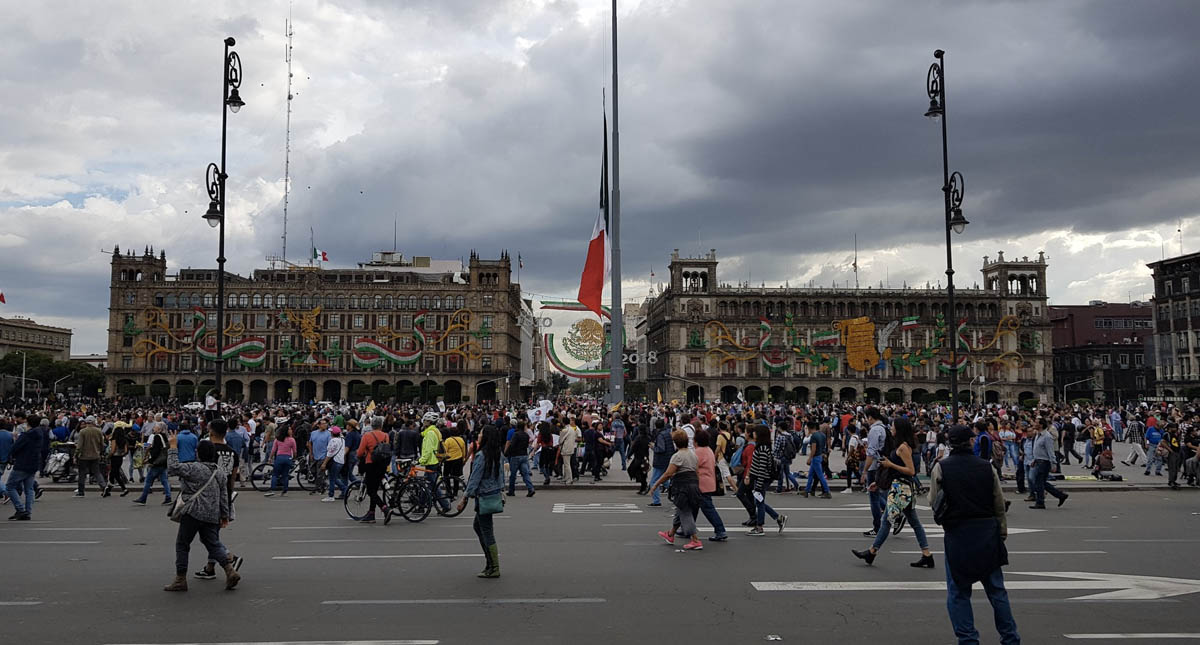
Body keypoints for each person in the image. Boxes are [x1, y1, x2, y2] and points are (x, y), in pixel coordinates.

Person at [928, 425, 1019, 644]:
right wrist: (1002, 532)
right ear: (971, 442)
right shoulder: (986, 467)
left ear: (950, 443)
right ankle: (1010, 638)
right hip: (987, 532)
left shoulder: (941, 468)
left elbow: (933, 501)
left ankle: (968, 639)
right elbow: (998, 502)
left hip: (958, 533)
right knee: (997, 591)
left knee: (958, 592)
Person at [851, 417, 934, 568]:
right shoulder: (901, 445)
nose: (891, 428)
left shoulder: (903, 447)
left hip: (901, 489)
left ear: (900, 429)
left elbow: (911, 471)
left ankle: (872, 552)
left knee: (886, 521)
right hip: (900, 487)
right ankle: (927, 554)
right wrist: (880, 482)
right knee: (914, 522)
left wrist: (890, 464)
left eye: (893, 426)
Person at [163, 435, 240, 592]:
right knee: (212, 543)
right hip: (212, 514)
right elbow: (224, 495)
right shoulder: (218, 472)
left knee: (183, 544)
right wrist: (224, 515)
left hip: (193, 512)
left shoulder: (193, 468)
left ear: (198, 453)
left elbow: (172, 468)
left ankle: (180, 579)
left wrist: (172, 447)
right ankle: (229, 570)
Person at [458, 424, 504, 578]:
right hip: (491, 494)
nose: (478, 435)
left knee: (486, 530)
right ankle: (490, 563)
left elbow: (474, 479)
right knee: (478, 526)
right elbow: (501, 477)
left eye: (481, 434)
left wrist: (464, 498)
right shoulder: (497, 453)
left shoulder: (481, 456)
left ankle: (493, 566)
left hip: (483, 496)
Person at [649, 429, 704, 550]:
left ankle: (695, 539)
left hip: (682, 486)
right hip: (693, 485)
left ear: (675, 443)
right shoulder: (692, 454)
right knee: (680, 510)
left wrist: (655, 485)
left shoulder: (677, 456)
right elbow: (697, 472)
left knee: (684, 511)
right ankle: (671, 534)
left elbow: (668, 474)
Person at [747, 424, 787, 536]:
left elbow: (762, 468)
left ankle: (760, 527)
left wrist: (758, 484)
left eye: (755, 432)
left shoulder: (763, 449)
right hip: (760, 478)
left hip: (762, 479)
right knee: (759, 502)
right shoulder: (761, 447)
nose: (752, 434)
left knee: (759, 503)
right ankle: (778, 517)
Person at [6, 416, 49, 520]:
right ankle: (28, 512)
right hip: (33, 463)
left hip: (22, 463)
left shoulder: (26, 435)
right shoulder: (39, 433)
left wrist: (11, 455)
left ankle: (20, 509)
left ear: (27, 423)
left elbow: (15, 448)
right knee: (29, 489)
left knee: (10, 486)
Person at [693, 428, 728, 542]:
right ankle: (688, 528)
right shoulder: (708, 450)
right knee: (693, 507)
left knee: (707, 509)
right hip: (708, 482)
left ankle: (720, 530)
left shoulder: (698, 452)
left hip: (701, 484)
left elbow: (693, 467)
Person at [356, 420, 391, 523]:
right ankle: (371, 514)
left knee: (370, 491)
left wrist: (360, 455)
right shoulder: (386, 436)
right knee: (374, 489)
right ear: (381, 426)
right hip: (382, 465)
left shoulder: (367, 436)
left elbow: (360, 452)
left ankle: (384, 508)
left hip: (371, 464)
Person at [1030, 419, 1068, 509]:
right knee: (1041, 482)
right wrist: (1034, 459)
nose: (1034, 424)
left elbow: (1050, 451)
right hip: (1038, 461)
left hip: (1044, 462)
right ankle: (1060, 495)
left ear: (1041, 425)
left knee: (1039, 483)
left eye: (1036, 423)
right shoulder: (1038, 435)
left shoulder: (1047, 436)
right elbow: (1038, 449)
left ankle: (1040, 502)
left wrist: (1054, 464)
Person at [133, 422, 172, 506]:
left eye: (155, 427)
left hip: (157, 462)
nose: (153, 428)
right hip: (163, 461)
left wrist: (149, 460)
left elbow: (156, 451)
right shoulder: (164, 436)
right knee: (164, 480)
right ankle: (168, 497)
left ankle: (143, 498)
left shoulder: (157, 437)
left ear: (159, 429)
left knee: (148, 480)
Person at [863, 407, 888, 536]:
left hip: (874, 466)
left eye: (867, 418)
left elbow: (871, 452)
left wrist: (864, 471)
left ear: (871, 417)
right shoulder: (884, 428)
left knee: (874, 498)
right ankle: (894, 512)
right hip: (883, 464)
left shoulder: (874, 430)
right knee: (878, 493)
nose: (866, 420)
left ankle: (877, 527)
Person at [73, 416, 108, 497]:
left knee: (82, 473)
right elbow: (102, 444)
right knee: (97, 472)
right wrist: (100, 451)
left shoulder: (83, 431)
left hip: (84, 456)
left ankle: (81, 491)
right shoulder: (98, 431)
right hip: (95, 455)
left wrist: (75, 455)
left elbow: (80, 445)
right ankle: (103, 486)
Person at [504, 420, 535, 497]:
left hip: (516, 456)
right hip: (524, 455)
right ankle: (530, 488)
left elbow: (512, 445)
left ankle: (511, 491)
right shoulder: (526, 435)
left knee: (513, 475)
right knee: (525, 473)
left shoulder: (516, 434)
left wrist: (507, 453)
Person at [801, 421, 832, 498]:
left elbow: (813, 449)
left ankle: (827, 491)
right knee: (811, 474)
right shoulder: (822, 435)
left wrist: (809, 458)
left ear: (809, 428)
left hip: (815, 457)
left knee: (820, 475)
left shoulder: (814, 436)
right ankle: (807, 490)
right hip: (820, 456)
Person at [264, 425, 297, 497]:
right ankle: (284, 491)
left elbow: (273, 450)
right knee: (285, 475)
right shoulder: (292, 440)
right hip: (288, 458)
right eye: (290, 429)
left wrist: (270, 458)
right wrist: (294, 458)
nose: (291, 431)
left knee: (275, 474)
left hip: (279, 458)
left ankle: (272, 490)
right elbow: (294, 451)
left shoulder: (278, 439)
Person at [648, 419, 673, 507]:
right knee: (665, 479)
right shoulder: (668, 433)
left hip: (660, 460)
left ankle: (656, 501)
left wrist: (653, 447)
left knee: (654, 481)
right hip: (668, 459)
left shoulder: (660, 435)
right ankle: (673, 491)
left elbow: (661, 449)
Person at [321, 425, 348, 502]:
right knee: (334, 478)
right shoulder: (342, 440)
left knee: (332, 479)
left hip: (334, 461)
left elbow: (330, 453)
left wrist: (324, 463)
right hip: (340, 461)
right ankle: (345, 489)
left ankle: (331, 495)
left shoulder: (333, 441)